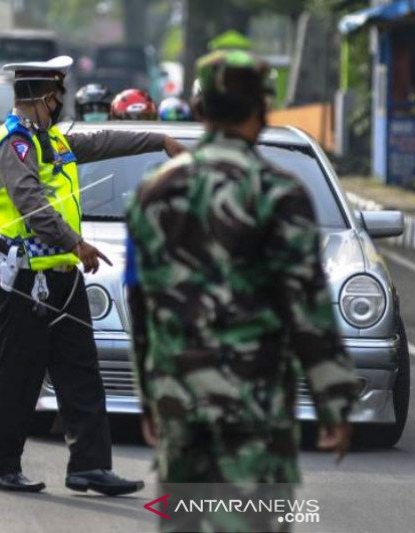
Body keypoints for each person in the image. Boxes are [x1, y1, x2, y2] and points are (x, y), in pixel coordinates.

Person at [125, 49, 358, 532]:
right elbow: (307, 305)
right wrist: (333, 401)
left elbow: (142, 301)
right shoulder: (279, 191)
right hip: (254, 402)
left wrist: (148, 396)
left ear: (198, 108)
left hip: (178, 398)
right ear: (263, 109)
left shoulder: (154, 191)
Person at [0, 56, 185, 495]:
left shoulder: (49, 139)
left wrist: (159, 140)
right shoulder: (13, 145)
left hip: (61, 279)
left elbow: (102, 141)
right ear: (40, 98)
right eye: (56, 98)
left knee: (81, 373)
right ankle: (0, 466)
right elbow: (31, 203)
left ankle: (89, 467)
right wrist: (76, 242)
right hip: (22, 283)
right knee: (19, 377)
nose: (59, 106)